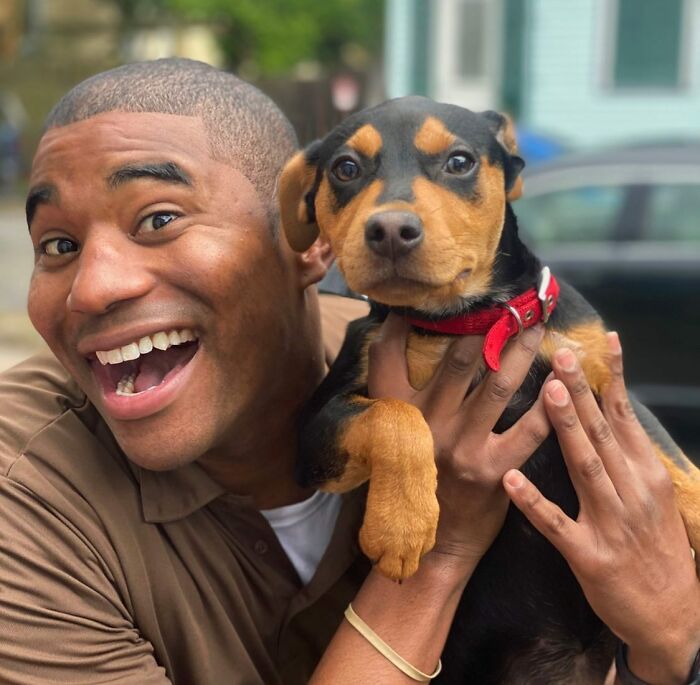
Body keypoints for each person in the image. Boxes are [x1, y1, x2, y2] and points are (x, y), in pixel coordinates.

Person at [0, 57, 697, 685]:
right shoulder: (26, 505)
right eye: (57, 243)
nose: (92, 288)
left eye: (157, 220)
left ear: (304, 249)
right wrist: (443, 549)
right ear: (320, 218)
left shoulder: (482, 335)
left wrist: (666, 647)